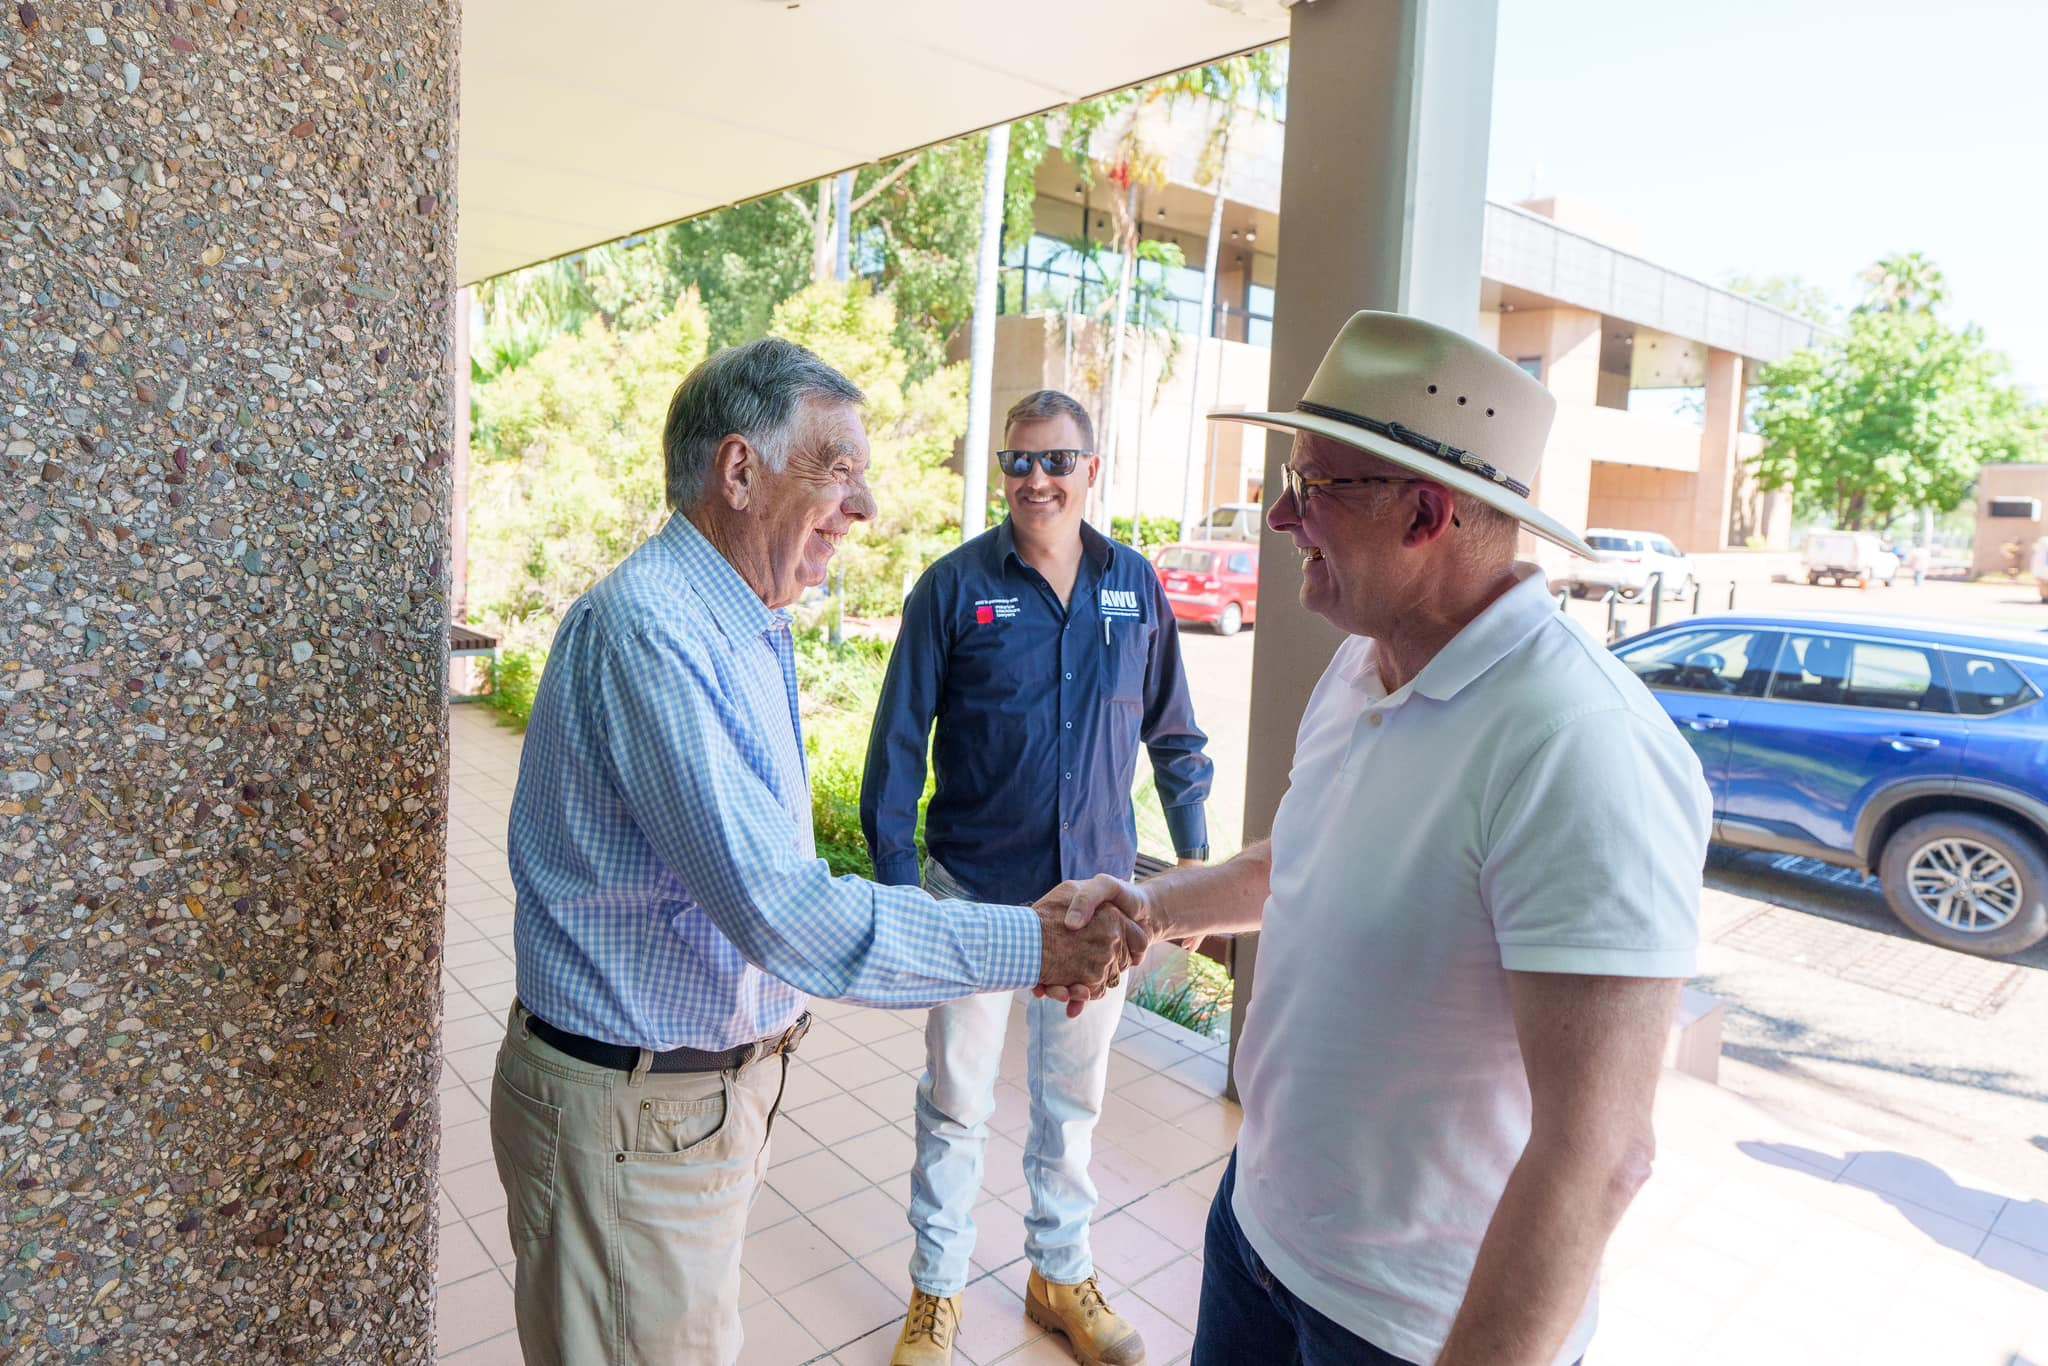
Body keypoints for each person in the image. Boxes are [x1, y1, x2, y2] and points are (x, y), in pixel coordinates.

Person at [1055, 312, 1712, 1366]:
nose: (1277, 513)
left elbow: (1598, 1153)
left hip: (1411, 1325)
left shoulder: (1579, 746)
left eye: (1312, 486)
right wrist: (1153, 908)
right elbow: (1299, 863)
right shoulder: (1365, 662)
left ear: (1424, 513)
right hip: (1256, 1235)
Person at [490, 340, 1147, 1366]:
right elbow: (786, 912)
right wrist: (1036, 943)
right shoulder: (651, 633)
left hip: (687, 1108)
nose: (866, 507)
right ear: (739, 471)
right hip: (631, 1113)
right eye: (837, 470)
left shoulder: (744, 619)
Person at [862, 390, 1214, 1366]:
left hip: (1094, 904)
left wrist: (1192, 868)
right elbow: (895, 747)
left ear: (1089, 470)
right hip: (974, 898)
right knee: (957, 1102)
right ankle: (935, 1294)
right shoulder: (953, 586)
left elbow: (1176, 737)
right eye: (1018, 462)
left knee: (1071, 1106)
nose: (1035, 480)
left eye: (1055, 461)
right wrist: (899, 895)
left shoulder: (1133, 588)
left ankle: (1058, 1272)